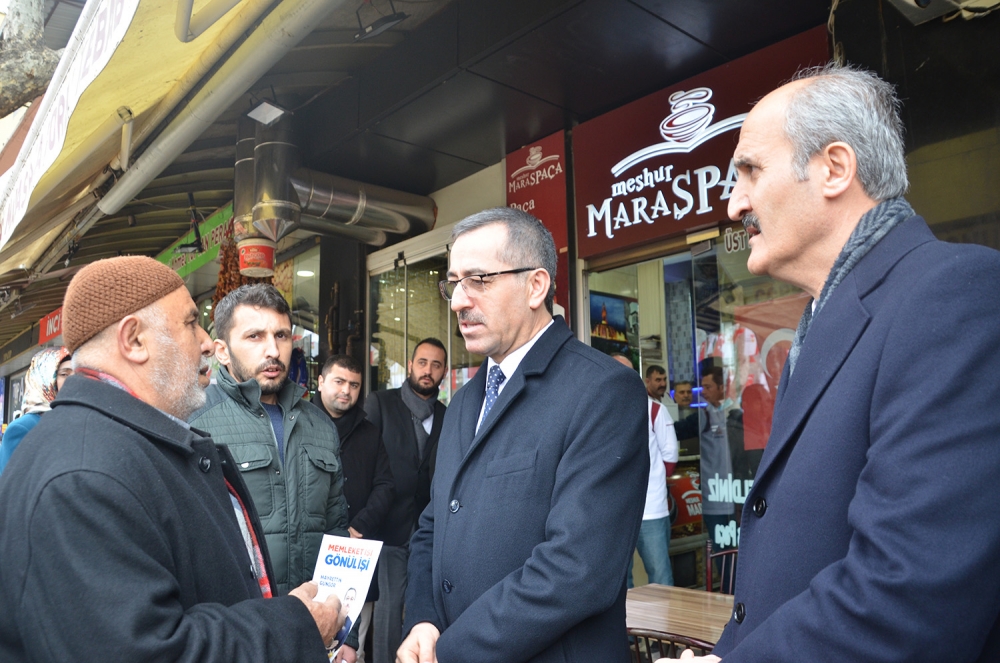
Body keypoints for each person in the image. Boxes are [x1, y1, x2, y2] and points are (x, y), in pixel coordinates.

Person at [684, 64, 1000, 662]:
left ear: (834, 168)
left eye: (750, 170)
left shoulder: (955, 294)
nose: (734, 204)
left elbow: (909, 593)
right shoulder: (827, 317)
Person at [0, 256, 344, 662]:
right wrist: (295, 625)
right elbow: (147, 651)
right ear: (134, 340)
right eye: (189, 322)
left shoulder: (128, 446)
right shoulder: (83, 474)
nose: (204, 342)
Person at [398, 207, 649, 663]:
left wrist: (451, 651)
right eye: (454, 283)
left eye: (479, 279)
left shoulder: (602, 390)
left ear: (536, 286)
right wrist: (422, 619)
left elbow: (578, 568)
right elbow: (432, 526)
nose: (457, 301)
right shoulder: (465, 402)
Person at [189, 285, 355, 645]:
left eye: (281, 335)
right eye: (254, 336)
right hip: (240, 637)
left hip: (316, 632)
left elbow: (336, 532)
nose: (272, 349)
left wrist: (346, 631)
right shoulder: (194, 423)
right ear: (222, 351)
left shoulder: (320, 425)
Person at [364, 337, 447, 663]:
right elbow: (366, 462)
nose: (428, 370)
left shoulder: (447, 415)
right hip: (388, 526)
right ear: (410, 366)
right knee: (388, 609)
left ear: (443, 372)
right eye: (423, 362)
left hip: (429, 530)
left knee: (423, 607)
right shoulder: (380, 403)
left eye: (436, 365)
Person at [316, 354, 395, 663]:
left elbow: (386, 485)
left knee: (349, 653)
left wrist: (359, 526)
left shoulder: (370, 432)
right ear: (321, 382)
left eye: (354, 385)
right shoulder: (299, 423)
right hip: (310, 550)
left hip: (354, 554)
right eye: (339, 382)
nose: (346, 391)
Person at [612, 353, 679, 587]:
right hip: (614, 512)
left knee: (660, 575)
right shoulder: (599, 411)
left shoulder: (654, 411)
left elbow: (670, 456)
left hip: (650, 509)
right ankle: (624, 626)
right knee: (618, 581)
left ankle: (663, 625)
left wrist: (653, 482)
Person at [0, 346, 70, 474]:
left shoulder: (78, 420)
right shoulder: (22, 428)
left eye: (77, 374)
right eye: (64, 374)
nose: (72, 380)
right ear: (45, 377)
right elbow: (10, 485)